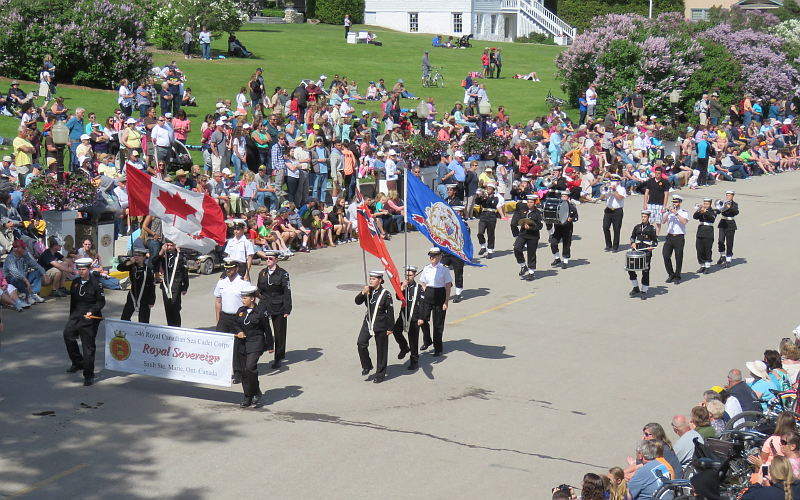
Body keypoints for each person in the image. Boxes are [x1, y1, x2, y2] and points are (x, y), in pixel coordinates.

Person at [63, 257, 106, 386]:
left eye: (83, 269)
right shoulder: (75, 283)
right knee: (68, 335)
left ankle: (88, 374)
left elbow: (101, 302)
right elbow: (73, 303)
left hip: (90, 317)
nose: (81, 272)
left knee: (88, 346)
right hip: (76, 315)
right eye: (79, 269)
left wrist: (92, 311)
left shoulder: (96, 284)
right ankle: (77, 362)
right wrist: (71, 318)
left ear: (89, 269)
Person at [233, 285, 273, 408]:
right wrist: (239, 331)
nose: (243, 300)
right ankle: (247, 396)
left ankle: (256, 392)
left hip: (256, 342)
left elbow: (267, 329)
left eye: (245, 298)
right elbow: (235, 324)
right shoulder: (241, 310)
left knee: (250, 367)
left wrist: (270, 345)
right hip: (242, 344)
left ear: (252, 299)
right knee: (243, 371)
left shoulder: (260, 312)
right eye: (242, 298)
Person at [355, 270, 395, 383]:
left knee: (381, 350)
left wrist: (390, 328)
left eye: (374, 278)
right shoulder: (368, 290)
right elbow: (357, 301)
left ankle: (380, 374)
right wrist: (363, 293)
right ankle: (367, 365)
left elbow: (390, 311)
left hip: (381, 325)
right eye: (370, 278)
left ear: (380, 280)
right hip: (368, 322)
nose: (371, 280)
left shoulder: (386, 294)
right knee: (361, 343)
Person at [255, 250, 292, 370]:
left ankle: (278, 357)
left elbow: (287, 292)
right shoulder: (262, 273)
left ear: (276, 259)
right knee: (259, 329)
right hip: (265, 303)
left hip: (278, 304)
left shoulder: (282, 274)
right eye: (267, 258)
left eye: (271, 259)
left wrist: (287, 309)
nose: (268, 261)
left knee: (279, 332)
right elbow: (259, 290)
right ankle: (257, 353)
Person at [391, 266, 429, 371]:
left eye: (410, 275)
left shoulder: (419, 288)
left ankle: (414, 361)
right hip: (403, 315)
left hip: (414, 317)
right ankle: (404, 347)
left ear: (415, 275)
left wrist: (422, 317)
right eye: (407, 275)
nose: (408, 277)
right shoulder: (403, 285)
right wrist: (402, 288)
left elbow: (422, 304)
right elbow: (398, 297)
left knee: (413, 340)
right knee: (396, 331)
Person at [418, 247, 452, 357]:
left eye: (434, 256)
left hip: (439, 296)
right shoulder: (426, 268)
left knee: (438, 324)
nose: (432, 258)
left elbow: (448, 285)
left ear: (439, 257)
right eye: (430, 256)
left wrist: (446, 301)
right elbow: (422, 282)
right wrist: (426, 290)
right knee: (422, 320)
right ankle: (427, 340)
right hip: (428, 296)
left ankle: (438, 347)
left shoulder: (444, 269)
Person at [153, 240, 188, 327]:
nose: (169, 247)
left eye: (171, 245)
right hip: (166, 286)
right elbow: (153, 262)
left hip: (176, 285)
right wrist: (161, 251)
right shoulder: (165, 256)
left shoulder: (180, 256)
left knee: (175, 309)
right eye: (167, 245)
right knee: (168, 309)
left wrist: (185, 286)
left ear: (175, 245)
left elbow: (185, 272)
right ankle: (170, 327)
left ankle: (177, 328)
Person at [117, 247, 155, 323]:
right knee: (124, 319)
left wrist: (152, 301)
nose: (136, 257)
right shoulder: (132, 267)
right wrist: (129, 262)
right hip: (132, 295)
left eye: (139, 255)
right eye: (135, 255)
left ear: (144, 257)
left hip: (144, 297)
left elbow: (152, 286)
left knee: (144, 321)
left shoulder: (148, 270)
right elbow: (120, 268)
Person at [512, 194, 543, 281]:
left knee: (531, 253)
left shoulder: (538, 213)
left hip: (533, 236)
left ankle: (531, 272)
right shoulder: (523, 211)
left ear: (534, 203)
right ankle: (523, 266)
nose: (529, 204)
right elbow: (518, 220)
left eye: (531, 202)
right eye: (528, 202)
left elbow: (540, 226)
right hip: (523, 234)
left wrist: (531, 227)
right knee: (517, 248)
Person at [4, 240, 45, 305]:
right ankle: (27, 295)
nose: (25, 249)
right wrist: (26, 280)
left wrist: (44, 274)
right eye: (23, 248)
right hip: (13, 279)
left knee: (38, 272)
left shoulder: (25, 256)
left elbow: (35, 264)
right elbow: (15, 272)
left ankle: (33, 294)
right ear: (17, 249)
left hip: (23, 278)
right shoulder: (10, 258)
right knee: (15, 278)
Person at [628, 210, 658, 300]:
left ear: (648, 218)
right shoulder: (637, 227)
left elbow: (655, 242)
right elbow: (632, 237)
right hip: (636, 251)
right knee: (630, 268)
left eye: (645, 217)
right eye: (642, 216)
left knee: (645, 271)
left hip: (646, 252)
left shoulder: (651, 229)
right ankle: (635, 287)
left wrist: (652, 247)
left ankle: (644, 290)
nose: (643, 218)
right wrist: (632, 243)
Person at [663, 194, 689, 284]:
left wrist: (676, 214)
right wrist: (667, 212)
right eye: (673, 202)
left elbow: (685, 222)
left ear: (680, 203)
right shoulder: (669, 212)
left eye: (676, 202)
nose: (674, 203)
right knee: (666, 255)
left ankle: (677, 275)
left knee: (678, 257)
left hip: (679, 237)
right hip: (669, 236)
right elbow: (663, 221)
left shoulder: (684, 212)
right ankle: (671, 274)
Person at [549, 191, 579, 269]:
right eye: (562, 196)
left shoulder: (571, 206)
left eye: (564, 196)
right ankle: (557, 258)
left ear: (568, 197)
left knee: (566, 244)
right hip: (558, 227)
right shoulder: (557, 206)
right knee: (553, 243)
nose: (563, 197)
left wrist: (571, 219)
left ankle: (565, 261)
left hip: (567, 228)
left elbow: (576, 217)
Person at [476, 183, 502, 258]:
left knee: (490, 234)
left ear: (493, 190)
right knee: (480, 233)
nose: (488, 190)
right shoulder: (483, 196)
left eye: (490, 189)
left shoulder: (496, 198)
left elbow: (493, 204)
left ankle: (490, 250)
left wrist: (487, 198)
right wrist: (479, 196)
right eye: (487, 188)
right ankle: (483, 246)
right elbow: (477, 202)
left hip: (492, 216)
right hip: (483, 216)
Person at [603, 174, 626, 252]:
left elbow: (620, 198)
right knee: (605, 227)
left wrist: (614, 190)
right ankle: (608, 245)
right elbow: (603, 196)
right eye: (612, 180)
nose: (613, 182)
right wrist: (607, 189)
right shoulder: (609, 188)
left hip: (617, 211)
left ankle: (615, 246)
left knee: (616, 229)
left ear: (618, 181)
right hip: (608, 210)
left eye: (614, 181)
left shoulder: (622, 189)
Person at [642, 168, 669, 236]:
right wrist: (645, 204)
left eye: (659, 173)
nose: (657, 174)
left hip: (660, 204)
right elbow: (646, 193)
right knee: (648, 220)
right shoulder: (650, 181)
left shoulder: (665, 182)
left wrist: (664, 206)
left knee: (658, 221)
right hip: (650, 203)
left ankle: (656, 236)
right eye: (656, 173)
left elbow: (666, 195)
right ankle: (648, 235)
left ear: (661, 174)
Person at [716, 190, 739, 268]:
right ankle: (722, 255)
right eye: (727, 195)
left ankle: (728, 259)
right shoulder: (723, 203)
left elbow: (736, 212)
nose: (728, 196)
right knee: (720, 241)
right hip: (723, 222)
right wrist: (718, 209)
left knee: (729, 242)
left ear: (732, 196)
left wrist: (729, 208)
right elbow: (719, 211)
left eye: (729, 195)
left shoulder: (735, 204)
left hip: (730, 224)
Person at [694, 198, 717, 274]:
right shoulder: (701, 210)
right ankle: (702, 265)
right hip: (700, 231)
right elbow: (695, 217)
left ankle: (707, 266)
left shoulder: (713, 211)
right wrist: (698, 211)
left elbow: (712, 219)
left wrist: (706, 212)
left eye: (707, 204)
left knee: (707, 249)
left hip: (708, 231)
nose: (705, 205)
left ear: (710, 204)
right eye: (704, 203)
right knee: (699, 249)